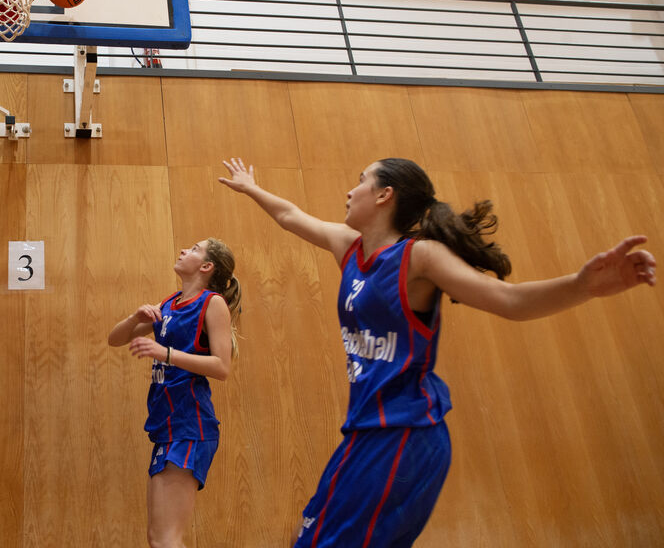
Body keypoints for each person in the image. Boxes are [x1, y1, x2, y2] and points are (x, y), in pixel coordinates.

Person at [218, 156, 656, 547]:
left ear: (385, 194)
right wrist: (251, 188)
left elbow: (510, 301)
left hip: (405, 433)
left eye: (360, 180)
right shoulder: (350, 248)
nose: (350, 191)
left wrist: (583, 286)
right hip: (366, 434)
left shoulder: (419, 257)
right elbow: (291, 215)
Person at [108, 238, 243, 548]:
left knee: (168, 539)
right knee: (158, 539)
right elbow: (114, 340)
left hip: (190, 427)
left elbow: (222, 366)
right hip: (166, 428)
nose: (184, 250)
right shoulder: (168, 304)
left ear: (207, 266)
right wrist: (134, 318)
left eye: (194, 249)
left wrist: (165, 353)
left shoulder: (212, 303)